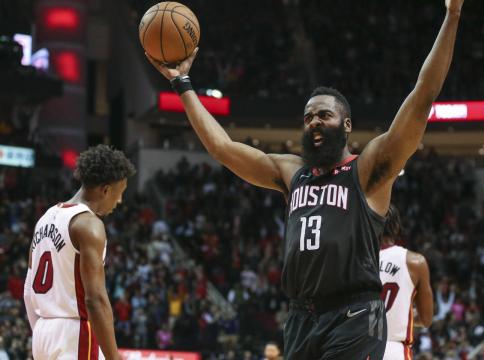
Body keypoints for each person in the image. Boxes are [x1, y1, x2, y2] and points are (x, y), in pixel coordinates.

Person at [146, 0, 463, 357]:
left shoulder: (367, 169)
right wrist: (182, 82)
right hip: (301, 316)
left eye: (324, 115)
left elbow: (422, 97)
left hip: (354, 313)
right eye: (308, 117)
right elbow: (222, 147)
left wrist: (452, 16)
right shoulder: (291, 172)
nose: (313, 121)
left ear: (346, 126)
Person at [23, 145, 135, 360]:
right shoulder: (89, 224)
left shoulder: (45, 217)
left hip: (42, 332)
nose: (119, 202)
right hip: (76, 333)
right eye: (119, 194)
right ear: (105, 189)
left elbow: (29, 291)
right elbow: (95, 299)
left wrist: (42, 329)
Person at [379, 205, 433, 360]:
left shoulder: (355, 260)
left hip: (361, 348)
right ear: (396, 227)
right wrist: (402, 314)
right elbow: (426, 319)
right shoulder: (415, 262)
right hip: (395, 351)